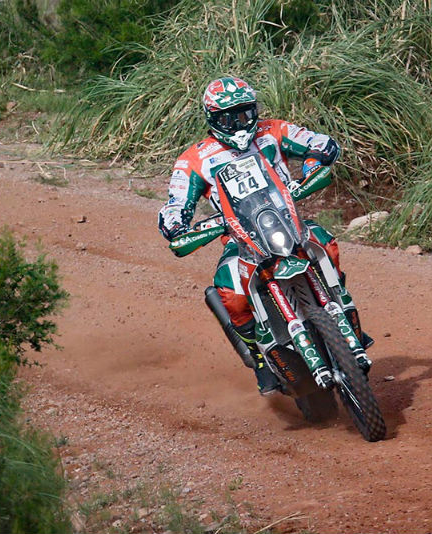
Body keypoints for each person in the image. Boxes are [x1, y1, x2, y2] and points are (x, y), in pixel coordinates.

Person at [158, 76, 372, 395]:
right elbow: (176, 204)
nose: (239, 123)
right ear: (213, 119)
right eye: (229, 118)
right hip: (239, 238)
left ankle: (344, 313)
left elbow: (321, 143)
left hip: (287, 223)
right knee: (231, 292)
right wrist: (176, 223)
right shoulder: (194, 159)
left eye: (245, 113)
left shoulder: (273, 131)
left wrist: (312, 164)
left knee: (326, 244)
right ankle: (258, 356)